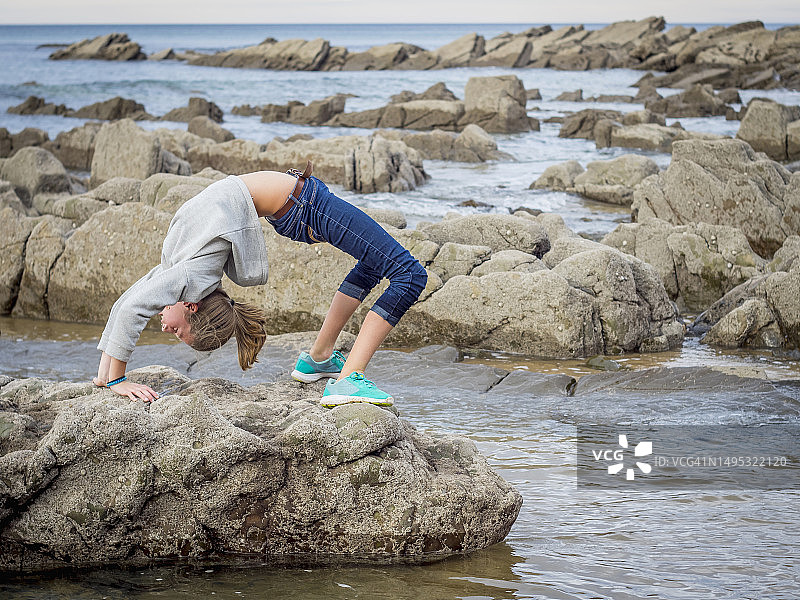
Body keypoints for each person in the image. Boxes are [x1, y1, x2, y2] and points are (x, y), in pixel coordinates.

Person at [93, 162, 427, 408]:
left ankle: (320, 357)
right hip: (307, 207)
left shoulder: (181, 273)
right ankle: (349, 381)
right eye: (179, 334)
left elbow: (128, 303)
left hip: (302, 205)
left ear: (191, 307)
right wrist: (118, 380)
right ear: (193, 303)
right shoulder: (189, 279)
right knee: (410, 275)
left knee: (373, 265)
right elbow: (133, 306)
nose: (169, 331)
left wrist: (108, 374)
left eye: (180, 333)